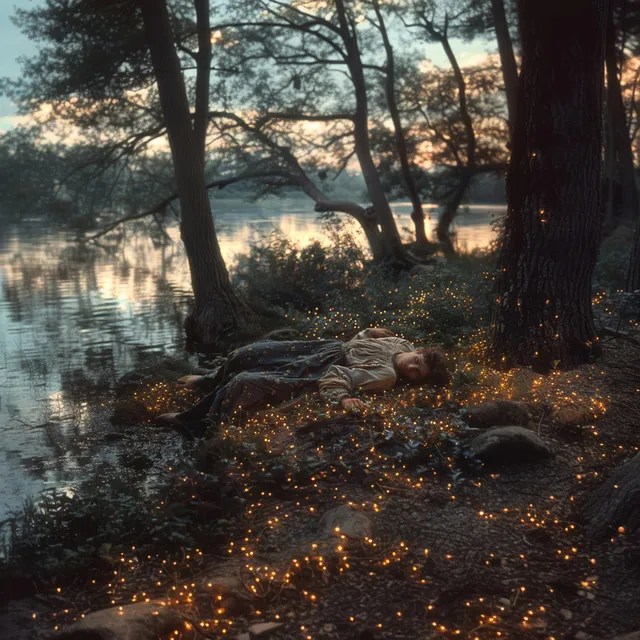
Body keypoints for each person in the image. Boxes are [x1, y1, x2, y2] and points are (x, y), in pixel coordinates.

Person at [156, 328, 450, 438]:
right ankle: (207, 379)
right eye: (417, 361)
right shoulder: (401, 342)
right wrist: (371, 334)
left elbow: (339, 377)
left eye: (415, 373)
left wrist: (343, 399)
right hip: (323, 347)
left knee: (245, 382)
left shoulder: (385, 375)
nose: (410, 366)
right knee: (247, 353)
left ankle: (190, 422)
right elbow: (371, 335)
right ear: (418, 350)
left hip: (317, 369)